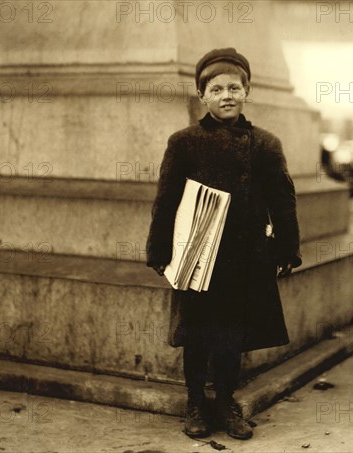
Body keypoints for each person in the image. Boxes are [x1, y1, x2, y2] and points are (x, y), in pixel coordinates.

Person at [146, 48, 302, 440]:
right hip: (198, 257)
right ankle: (196, 401)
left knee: (233, 335)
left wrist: (286, 248)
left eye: (235, 87)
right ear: (203, 96)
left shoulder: (265, 144)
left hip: (245, 257)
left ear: (247, 91)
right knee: (196, 333)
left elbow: (283, 198)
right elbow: (166, 199)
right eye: (216, 89)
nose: (226, 95)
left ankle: (226, 402)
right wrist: (159, 249)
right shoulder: (184, 142)